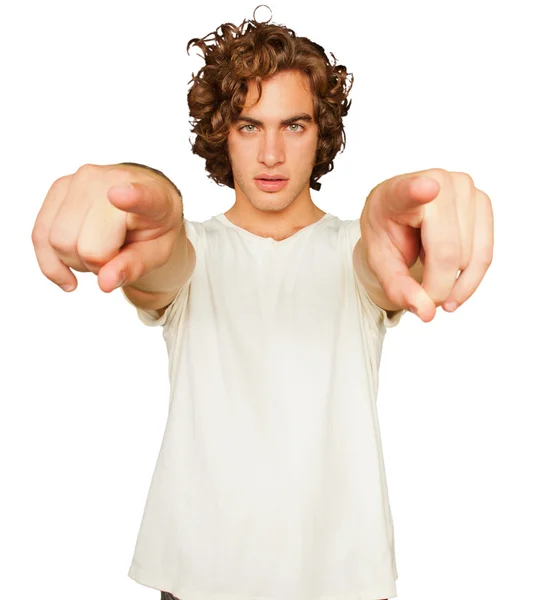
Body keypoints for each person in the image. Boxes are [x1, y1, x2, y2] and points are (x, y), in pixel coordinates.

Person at [31, 9, 494, 600]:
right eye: (249, 126)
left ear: (320, 132)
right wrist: (140, 198)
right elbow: (163, 261)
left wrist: (410, 225)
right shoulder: (189, 248)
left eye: (293, 126)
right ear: (222, 132)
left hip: (340, 577)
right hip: (198, 573)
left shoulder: (362, 249)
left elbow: (383, 267)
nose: (271, 152)